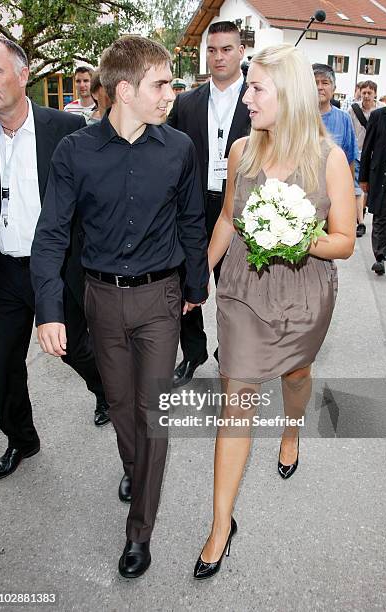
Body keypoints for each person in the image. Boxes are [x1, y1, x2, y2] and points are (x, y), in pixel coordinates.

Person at [30, 35, 209, 578]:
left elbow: (191, 222)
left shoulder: (179, 148)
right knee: (121, 405)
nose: (170, 94)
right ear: (125, 90)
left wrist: (196, 287)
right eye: (161, 83)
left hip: (160, 298)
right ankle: (136, 466)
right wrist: (50, 309)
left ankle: (139, 533)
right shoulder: (75, 153)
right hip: (100, 300)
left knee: (153, 414)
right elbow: (52, 234)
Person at [193, 44, 355, 580]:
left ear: (287, 95)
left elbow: (345, 241)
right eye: (247, 86)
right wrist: (198, 278)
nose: (246, 96)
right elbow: (225, 221)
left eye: (257, 87)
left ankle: (291, 429)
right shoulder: (241, 151)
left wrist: (297, 234)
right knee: (235, 396)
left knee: (297, 376)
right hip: (243, 291)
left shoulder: (328, 158)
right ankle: (220, 525)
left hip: (304, 295)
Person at [0, 38, 108, 483]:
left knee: (75, 349)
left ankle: (104, 392)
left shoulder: (62, 128)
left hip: (56, 268)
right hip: (3, 270)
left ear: (23, 76)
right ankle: (22, 439)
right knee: (5, 363)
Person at [168, 20, 250, 387]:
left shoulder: (258, 98)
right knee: (187, 280)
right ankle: (194, 351)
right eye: (212, 50)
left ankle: (227, 352)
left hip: (240, 209)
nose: (219, 57)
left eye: (227, 49)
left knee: (234, 287)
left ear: (241, 52)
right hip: (193, 206)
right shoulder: (185, 103)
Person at [359, 76, 386, 276]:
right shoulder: (379, 115)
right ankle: (379, 256)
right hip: (382, 176)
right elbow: (367, 149)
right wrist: (364, 178)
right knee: (382, 216)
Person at [348, 80, 380, 237]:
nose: (366, 95)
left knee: (371, 189)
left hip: (377, 156)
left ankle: (365, 210)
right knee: (358, 188)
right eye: (364, 92)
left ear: (375, 93)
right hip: (358, 154)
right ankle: (360, 222)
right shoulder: (353, 110)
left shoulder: (381, 110)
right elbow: (350, 131)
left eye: (369, 93)